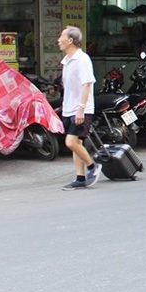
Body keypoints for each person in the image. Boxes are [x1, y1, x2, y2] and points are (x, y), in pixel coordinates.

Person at [57, 26, 100, 190]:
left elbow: (87, 84)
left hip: (80, 108)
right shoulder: (67, 61)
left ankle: (92, 166)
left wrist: (81, 108)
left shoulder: (82, 59)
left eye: (62, 36)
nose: (59, 40)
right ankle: (80, 177)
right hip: (69, 107)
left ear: (70, 40)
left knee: (71, 142)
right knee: (77, 143)